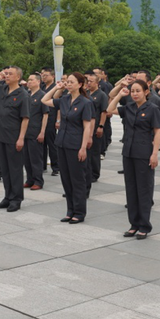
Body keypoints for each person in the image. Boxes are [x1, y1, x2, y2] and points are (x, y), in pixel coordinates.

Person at [109, 79, 160, 239]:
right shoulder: (129, 107)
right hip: (129, 152)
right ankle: (134, 224)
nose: (135, 94)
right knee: (131, 189)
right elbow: (109, 109)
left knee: (144, 189)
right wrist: (120, 94)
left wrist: (154, 153)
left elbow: (158, 132)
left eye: (138, 90)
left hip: (144, 152)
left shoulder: (153, 108)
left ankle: (144, 225)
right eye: (132, 91)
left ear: (146, 92)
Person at [43, 72, 93, 224]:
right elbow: (44, 100)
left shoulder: (85, 102)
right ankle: (70, 210)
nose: (68, 84)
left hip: (76, 144)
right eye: (67, 82)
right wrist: (57, 88)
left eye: (71, 82)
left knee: (77, 180)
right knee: (66, 179)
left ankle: (79, 212)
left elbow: (87, 127)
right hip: (62, 143)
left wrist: (83, 147)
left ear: (80, 84)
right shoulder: (64, 99)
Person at [0, 66, 30, 212]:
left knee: (15, 169)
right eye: (6, 74)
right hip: (0, 134)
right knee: (4, 169)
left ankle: (16, 199)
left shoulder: (22, 95)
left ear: (18, 77)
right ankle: (7, 196)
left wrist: (21, 138)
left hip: (13, 136)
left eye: (10, 74)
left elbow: (25, 118)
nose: (7, 76)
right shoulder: (3, 89)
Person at [23, 73, 48, 190]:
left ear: (38, 82)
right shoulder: (26, 95)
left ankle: (38, 181)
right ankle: (30, 179)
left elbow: (45, 115)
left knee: (35, 158)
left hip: (35, 131)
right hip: (25, 131)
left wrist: (42, 131)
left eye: (31, 80)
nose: (29, 82)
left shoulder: (42, 95)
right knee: (26, 158)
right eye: (28, 80)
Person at [84, 72, 108, 187]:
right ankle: (87, 172)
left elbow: (104, 111)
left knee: (94, 152)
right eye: (87, 81)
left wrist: (101, 126)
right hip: (86, 127)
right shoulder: (86, 93)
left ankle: (95, 173)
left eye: (91, 81)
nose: (89, 83)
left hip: (96, 125)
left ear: (97, 83)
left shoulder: (101, 95)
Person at [40, 67, 59, 177]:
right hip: (41, 117)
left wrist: (58, 120)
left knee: (51, 143)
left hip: (51, 117)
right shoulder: (41, 86)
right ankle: (42, 166)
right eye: (42, 75)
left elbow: (58, 104)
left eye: (46, 75)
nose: (43, 77)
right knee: (41, 144)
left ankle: (55, 167)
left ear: (53, 76)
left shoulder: (55, 88)